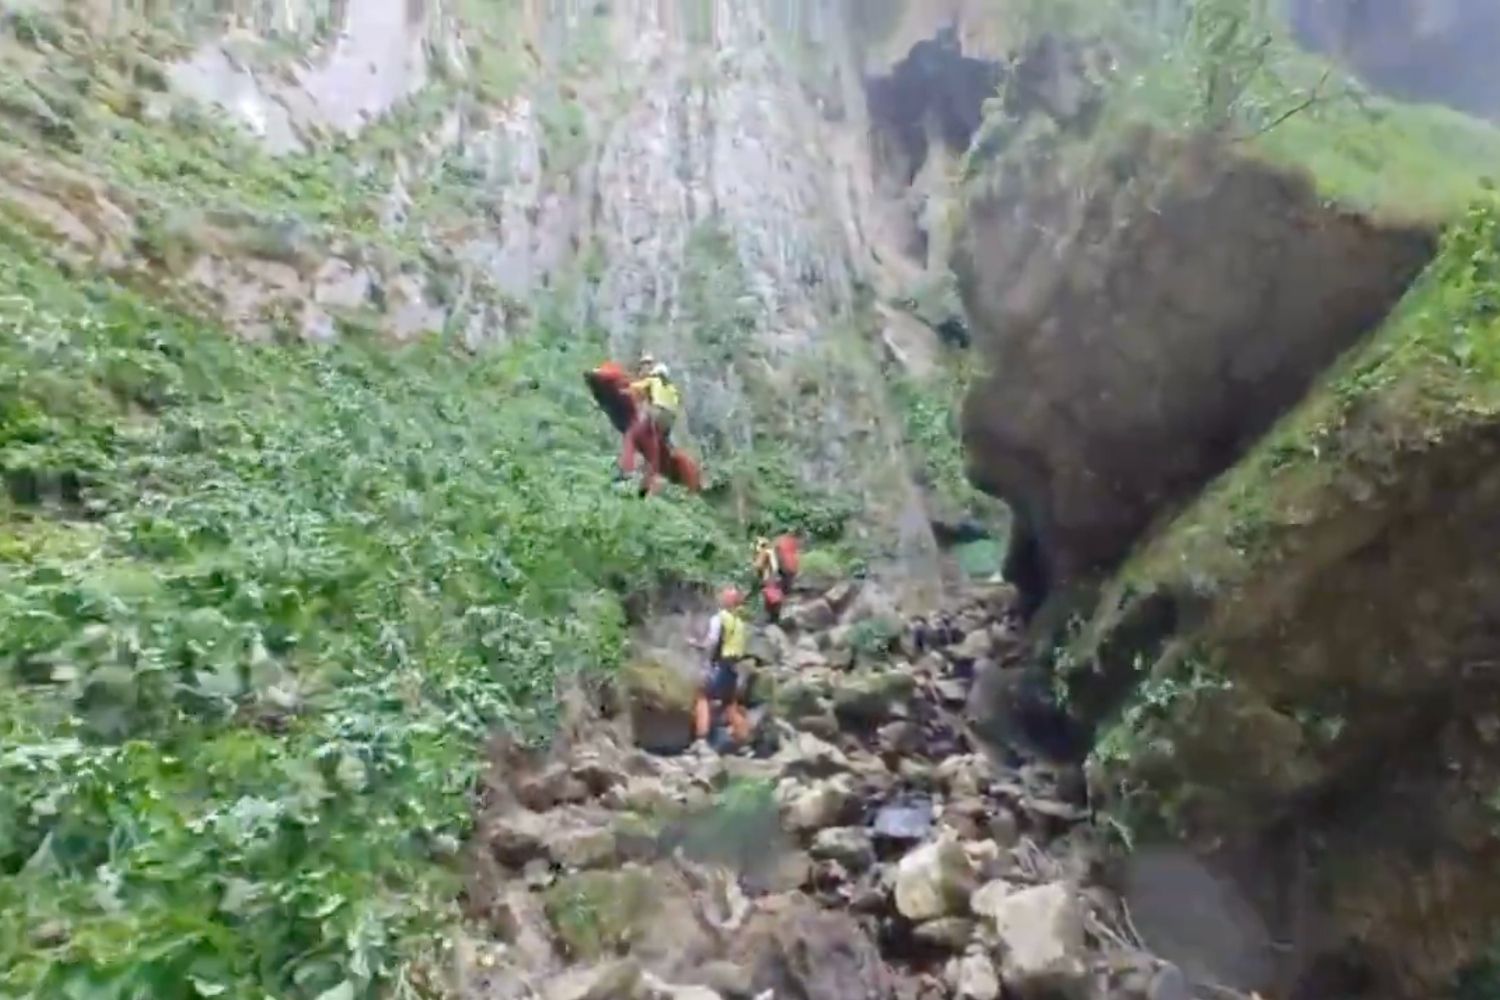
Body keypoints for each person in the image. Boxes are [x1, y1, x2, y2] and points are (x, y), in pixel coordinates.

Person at [692, 586, 750, 748]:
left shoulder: (719, 618)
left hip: (720, 666)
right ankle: (744, 740)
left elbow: (711, 642)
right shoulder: (739, 622)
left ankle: (701, 741)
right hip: (733, 669)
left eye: (723, 595)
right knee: (730, 704)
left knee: (702, 696)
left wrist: (696, 645)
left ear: (725, 600)